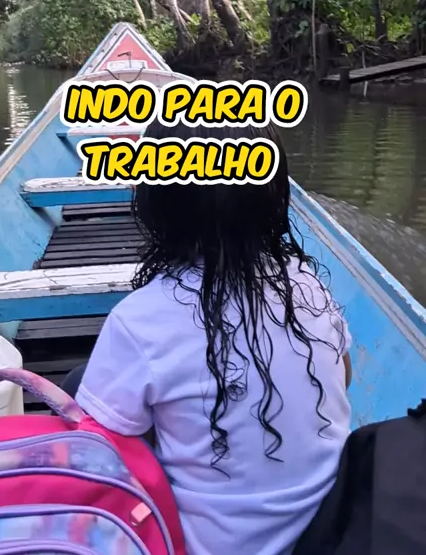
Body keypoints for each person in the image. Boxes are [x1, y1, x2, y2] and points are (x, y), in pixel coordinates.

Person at [73, 119, 352, 555]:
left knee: (84, 389)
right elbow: (345, 375)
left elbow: (96, 455)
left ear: (158, 203)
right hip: (331, 536)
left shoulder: (139, 319)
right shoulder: (307, 283)